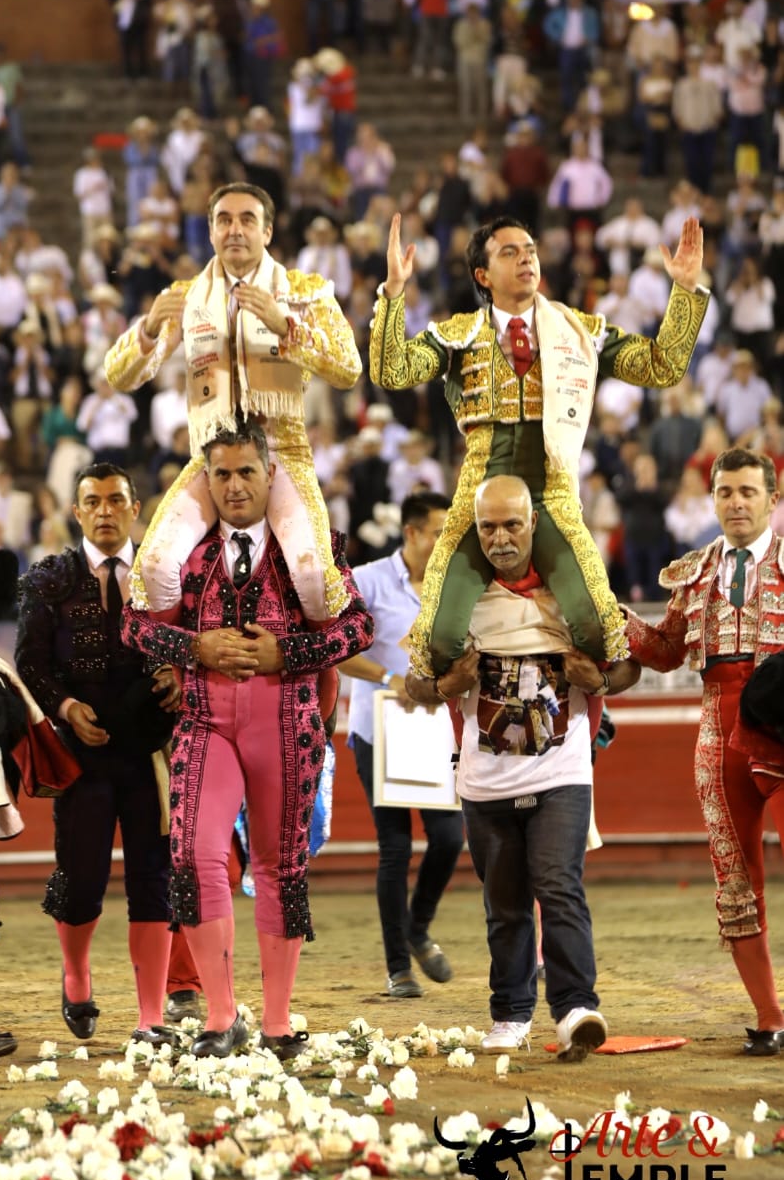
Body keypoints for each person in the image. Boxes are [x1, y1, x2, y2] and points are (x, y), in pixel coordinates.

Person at [120, 422, 374, 1059]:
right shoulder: (189, 553)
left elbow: (359, 627)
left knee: (279, 867)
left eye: (246, 473)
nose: (234, 486)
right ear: (207, 480)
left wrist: (286, 654)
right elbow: (133, 626)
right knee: (194, 858)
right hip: (205, 721)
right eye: (222, 474)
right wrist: (192, 645)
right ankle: (221, 1015)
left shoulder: (313, 548)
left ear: (270, 476)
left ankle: (279, 1021)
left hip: (286, 722)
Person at [369, 212, 710, 682]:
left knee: (596, 627)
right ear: (482, 275)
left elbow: (660, 367)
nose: (525, 258)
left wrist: (685, 293)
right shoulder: (458, 333)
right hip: (478, 500)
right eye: (509, 252)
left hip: (551, 496)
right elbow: (392, 372)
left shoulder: (577, 330)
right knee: (439, 639)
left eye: (529, 249)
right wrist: (392, 294)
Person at [406, 475, 640, 1057]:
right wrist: (444, 684)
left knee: (559, 886)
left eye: (512, 524)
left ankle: (576, 1007)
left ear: (535, 523)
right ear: (474, 530)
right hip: (484, 779)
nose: (501, 538)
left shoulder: (576, 594)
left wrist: (601, 680)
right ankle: (510, 1011)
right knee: (503, 900)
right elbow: (415, 682)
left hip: (561, 772)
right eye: (488, 527)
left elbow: (629, 664)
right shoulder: (455, 604)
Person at [104, 182, 361, 635]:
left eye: (247, 220)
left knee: (315, 575)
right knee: (153, 567)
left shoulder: (305, 291)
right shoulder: (187, 297)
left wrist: (286, 327)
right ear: (210, 232)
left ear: (267, 231)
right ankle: (187, 672)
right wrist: (147, 329)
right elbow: (118, 376)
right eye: (224, 220)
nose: (235, 229)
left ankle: (316, 695)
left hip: (282, 454)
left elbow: (348, 369)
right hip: (211, 458)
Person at [625, 447, 784, 1057]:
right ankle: (770, 1018)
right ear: (713, 498)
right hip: (717, 731)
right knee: (737, 882)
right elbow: (665, 650)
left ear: (771, 499)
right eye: (726, 492)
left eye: (748, 491)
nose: (736, 502)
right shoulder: (693, 572)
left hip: (783, 725)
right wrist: (608, 615)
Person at [14, 463, 179, 1047]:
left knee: (152, 880)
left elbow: (190, 643)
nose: (105, 511)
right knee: (82, 879)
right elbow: (30, 662)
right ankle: (78, 977)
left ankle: (150, 1016)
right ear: (77, 512)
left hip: (148, 752)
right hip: (80, 756)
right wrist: (64, 708)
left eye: (115, 500)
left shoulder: (165, 577)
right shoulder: (49, 579)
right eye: (93, 502)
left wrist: (176, 674)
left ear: (136, 510)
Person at [339, 491, 463, 998]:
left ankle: (417, 927)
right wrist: (388, 675)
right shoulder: (367, 580)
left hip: (430, 726)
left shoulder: (452, 587)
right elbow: (339, 650)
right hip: (380, 728)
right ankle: (398, 968)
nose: (444, 543)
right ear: (411, 533)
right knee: (394, 847)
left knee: (451, 837)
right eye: (438, 533)